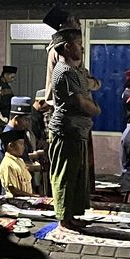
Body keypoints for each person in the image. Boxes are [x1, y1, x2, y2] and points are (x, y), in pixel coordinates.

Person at [48, 27, 101, 229]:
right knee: (65, 175)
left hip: (78, 131)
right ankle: (63, 218)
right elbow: (80, 101)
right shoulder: (64, 72)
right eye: (79, 44)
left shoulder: (77, 70)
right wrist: (96, 109)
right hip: (66, 130)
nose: (82, 48)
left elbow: (94, 83)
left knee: (77, 175)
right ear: (68, 47)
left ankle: (71, 215)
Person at [0, 129, 34, 197]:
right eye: (21, 144)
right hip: (16, 203)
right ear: (11, 146)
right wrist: (32, 196)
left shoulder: (20, 161)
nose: (23, 147)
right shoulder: (8, 164)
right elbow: (13, 190)